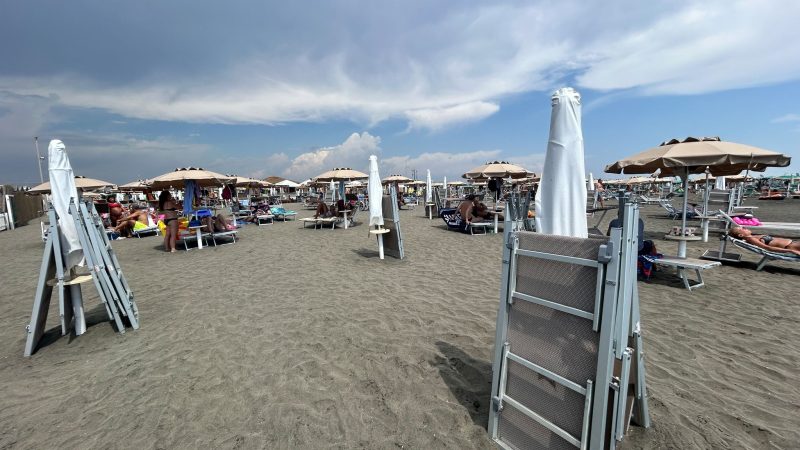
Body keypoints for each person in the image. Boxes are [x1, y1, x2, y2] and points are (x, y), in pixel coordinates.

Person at [729, 227, 800, 256]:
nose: (745, 228)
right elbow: (767, 248)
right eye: (743, 229)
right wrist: (790, 251)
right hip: (791, 246)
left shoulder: (753, 237)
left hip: (794, 243)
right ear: (741, 235)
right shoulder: (751, 239)